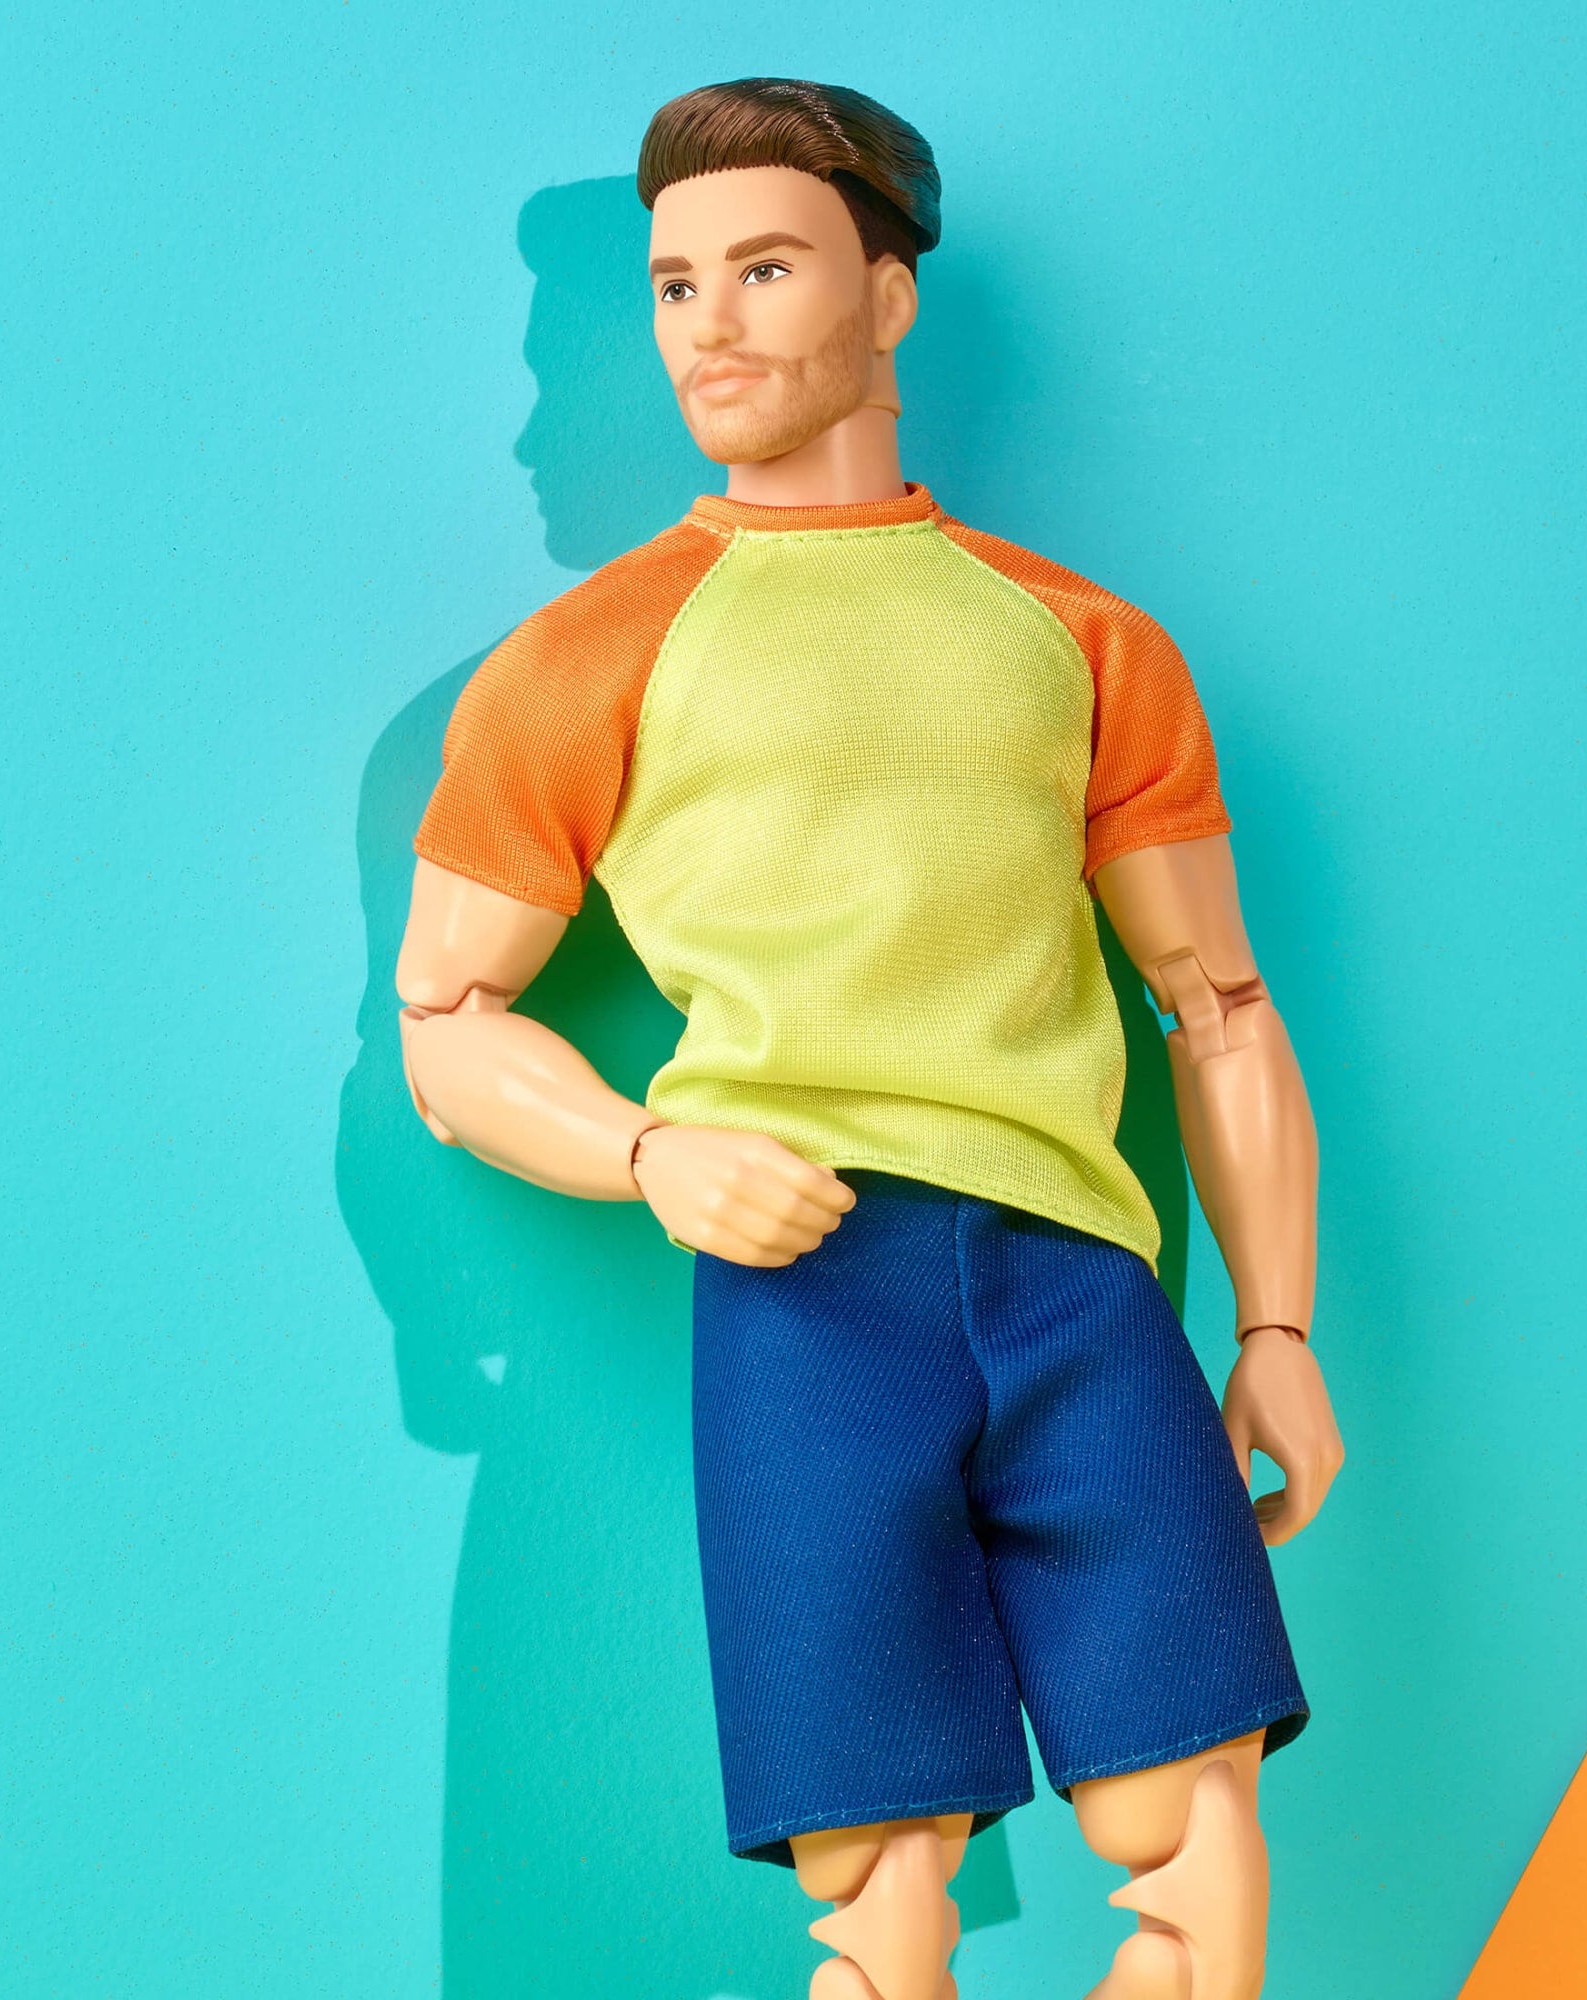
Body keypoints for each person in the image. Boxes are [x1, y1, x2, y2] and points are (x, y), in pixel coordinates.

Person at [395, 77, 1344, 2000]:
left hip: (1083, 1281)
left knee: (1197, 1830)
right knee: (877, 1885)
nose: (709, 328)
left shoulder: (1079, 637)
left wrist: (1274, 1332)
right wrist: (652, 1153)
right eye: (673, 287)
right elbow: (444, 1016)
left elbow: (1221, 1004)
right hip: (805, 1285)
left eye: (763, 269)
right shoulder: (589, 657)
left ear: (889, 296)